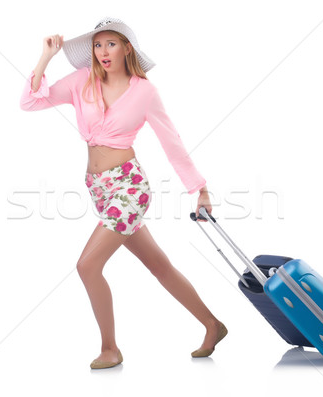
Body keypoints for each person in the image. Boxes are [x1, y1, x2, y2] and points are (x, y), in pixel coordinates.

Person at [19, 17, 227, 369]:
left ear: (127, 47)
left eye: (110, 44)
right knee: (158, 265)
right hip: (99, 188)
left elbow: (171, 141)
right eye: (97, 45)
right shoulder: (81, 81)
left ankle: (109, 348)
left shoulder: (144, 91)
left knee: (87, 265)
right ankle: (212, 324)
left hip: (129, 187)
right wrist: (45, 58)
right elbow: (30, 102)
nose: (102, 52)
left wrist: (200, 188)